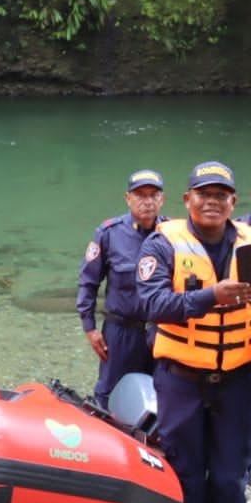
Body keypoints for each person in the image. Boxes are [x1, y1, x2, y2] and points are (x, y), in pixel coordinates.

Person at [136, 161, 251, 503]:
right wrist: (210, 298)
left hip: (237, 377)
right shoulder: (161, 245)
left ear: (233, 202)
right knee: (182, 465)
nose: (212, 201)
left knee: (230, 469)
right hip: (181, 377)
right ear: (188, 199)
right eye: (204, 194)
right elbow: (152, 304)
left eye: (221, 195)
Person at [78, 168, 164, 407]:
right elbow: (88, 281)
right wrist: (89, 327)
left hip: (162, 331)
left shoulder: (173, 234)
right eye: (140, 195)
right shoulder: (109, 233)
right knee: (110, 393)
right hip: (121, 332)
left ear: (162, 199)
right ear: (128, 198)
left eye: (153, 195)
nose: (147, 201)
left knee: (163, 393)